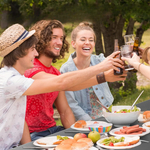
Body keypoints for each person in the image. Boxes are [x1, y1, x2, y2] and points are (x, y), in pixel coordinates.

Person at [0, 23, 123, 149]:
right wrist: (101, 70)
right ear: (20, 52)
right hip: (23, 140)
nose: (35, 53)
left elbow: (23, 120)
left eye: (61, 38)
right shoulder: (12, 80)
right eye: (32, 49)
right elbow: (62, 83)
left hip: (47, 133)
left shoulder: (19, 78)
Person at [60, 22, 127, 121]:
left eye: (91, 40)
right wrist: (90, 122)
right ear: (73, 43)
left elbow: (117, 68)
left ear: (94, 44)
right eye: (83, 39)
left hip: (106, 115)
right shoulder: (65, 70)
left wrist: (125, 62)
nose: (87, 42)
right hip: (83, 121)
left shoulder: (100, 60)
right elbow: (71, 104)